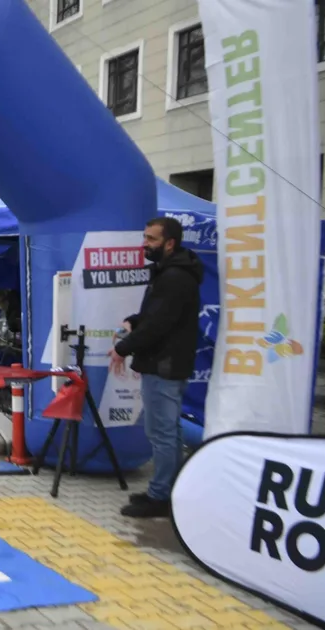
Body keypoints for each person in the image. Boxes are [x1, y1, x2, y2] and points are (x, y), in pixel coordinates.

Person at [111, 216, 202, 519]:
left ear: (170, 243)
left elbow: (160, 324)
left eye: (151, 239)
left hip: (165, 365)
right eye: (145, 237)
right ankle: (166, 489)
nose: (144, 244)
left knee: (162, 432)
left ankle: (161, 496)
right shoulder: (167, 273)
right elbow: (153, 316)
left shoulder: (175, 277)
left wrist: (122, 348)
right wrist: (133, 322)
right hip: (162, 363)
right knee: (166, 430)